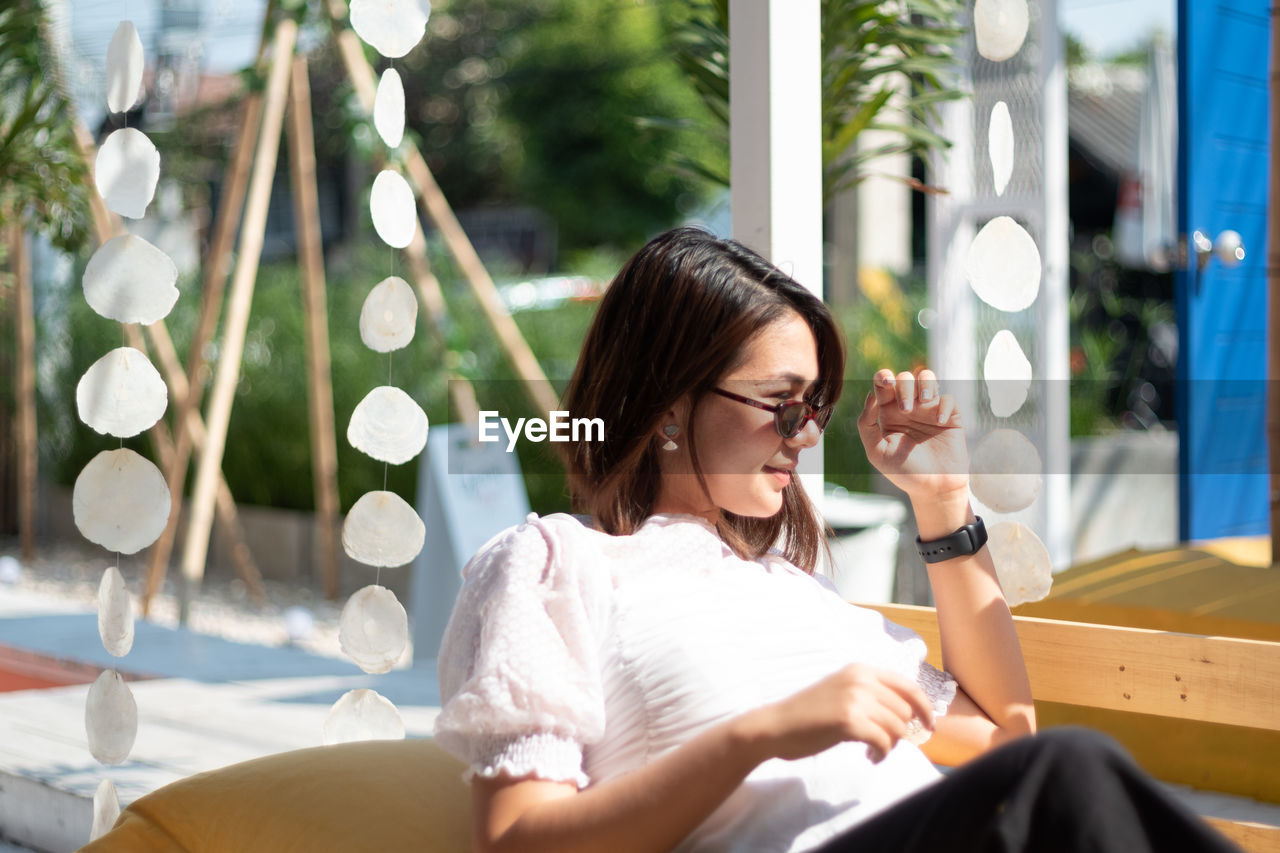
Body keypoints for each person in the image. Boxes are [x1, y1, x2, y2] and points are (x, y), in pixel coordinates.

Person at [434, 227, 1239, 853]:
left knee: (1061, 766)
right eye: (782, 404)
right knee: (1068, 768)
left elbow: (1004, 735)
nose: (804, 435)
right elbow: (513, 839)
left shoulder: (795, 590)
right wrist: (765, 731)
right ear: (672, 404)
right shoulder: (553, 562)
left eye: (814, 407)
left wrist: (943, 503)